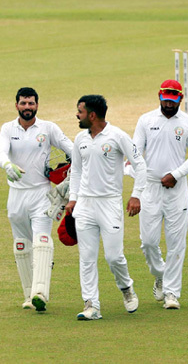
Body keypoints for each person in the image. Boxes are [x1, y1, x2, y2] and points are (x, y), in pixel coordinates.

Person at [65, 95, 147, 320]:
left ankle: (126, 288)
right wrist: (73, 199)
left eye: (79, 111)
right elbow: (77, 171)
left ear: (92, 115)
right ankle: (91, 304)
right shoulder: (80, 138)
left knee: (113, 256)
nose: (77, 115)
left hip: (110, 203)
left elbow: (140, 165)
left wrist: (136, 196)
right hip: (85, 205)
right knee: (87, 256)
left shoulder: (118, 136)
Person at [0, 87, 74, 312]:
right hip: (16, 194)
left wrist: (75, 171)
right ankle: (28, 295)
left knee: (41, 240)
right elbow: (1, 152)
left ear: (37, 105)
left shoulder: (48, 128)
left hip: (42, 194)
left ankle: (39, 292)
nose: (27, 108)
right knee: (21, 245)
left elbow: (71, 148)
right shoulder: (7, 128)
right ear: (16, 106)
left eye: (31, 104)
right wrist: (7, 165)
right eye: (23, 103)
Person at [132, 80, 188, 310]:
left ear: (180, 99)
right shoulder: (146, 120)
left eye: (174, 100)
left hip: (176, 190)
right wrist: (137, 186)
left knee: (176, 244)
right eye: (166, 99)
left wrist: (176, 174)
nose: (169, 103)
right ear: (159, 96)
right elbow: (136, 153)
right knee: (148, 242)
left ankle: (172, 292)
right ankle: (161, 275)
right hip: (150, 188)